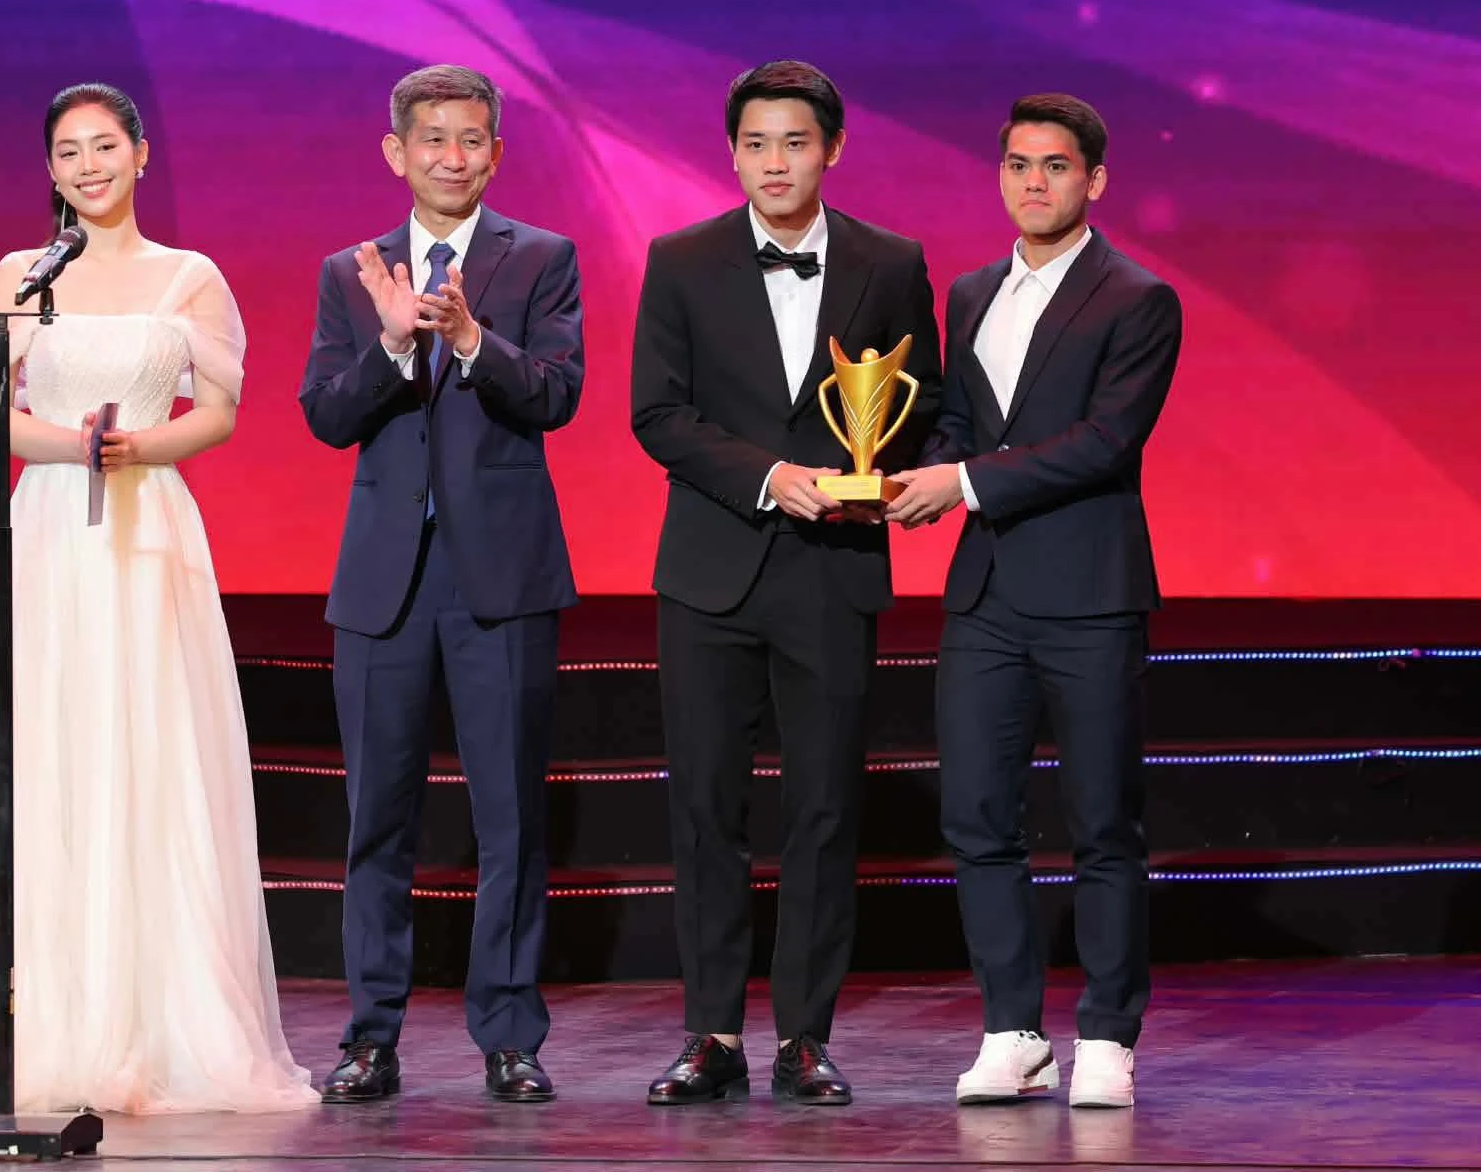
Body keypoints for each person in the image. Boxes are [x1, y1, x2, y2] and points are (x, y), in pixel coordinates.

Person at [0, 83, 315, 1121]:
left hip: (149, 526)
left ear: (142, 154)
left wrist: (137, 447)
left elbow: (221, 411)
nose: (89, 166)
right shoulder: (19, 275)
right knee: (46, 750)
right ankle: (40, 1022)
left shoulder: (189, 277)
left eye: (106, 146)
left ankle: (154, 1027)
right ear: (49, 170)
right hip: (52, 527)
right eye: (68, 152)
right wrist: (74, 448)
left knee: (148, 750)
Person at [630, 60, 942, 1106]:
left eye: (795, 143)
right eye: (756, 144)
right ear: (732, 154)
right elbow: (657, 414)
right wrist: (770, 477)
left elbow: (920, 403)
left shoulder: (890, 261)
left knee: (823, 809)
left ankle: (805, 1036)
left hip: (833, 570)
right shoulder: (680, 260)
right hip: (709, 571)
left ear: (832, 149)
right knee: (704, 808)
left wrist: (883, 481)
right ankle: (711, 1032)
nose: (775, 162)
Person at [886, 93, 1183, 1109]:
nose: (1033, 182)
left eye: (1054, 166)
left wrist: (962, 483)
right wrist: (907, 474)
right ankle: (1011, 1029)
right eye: (1017, 164)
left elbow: (1105, 442)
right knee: (977, 816)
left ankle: (1106, 1033)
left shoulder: (1137, 298)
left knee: (1102, 821)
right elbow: (961, 424)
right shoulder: (970, 292)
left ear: (1093, 180)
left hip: (1089, 593)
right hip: (985, 595)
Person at [298, 64, 584, 1103]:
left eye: (471, 139)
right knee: (377, 819)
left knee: (510, 817)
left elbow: (557, 395)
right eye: (432, 139)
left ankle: (509, 1036)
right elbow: (326, 414)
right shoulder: (351, 271)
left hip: (500, 577)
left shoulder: (541, 257)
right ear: (397, 152)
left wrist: (469, 340)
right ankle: (370, 1036)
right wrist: (389, 343)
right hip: (384, 583)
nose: (451, 157)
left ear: (495, 153)